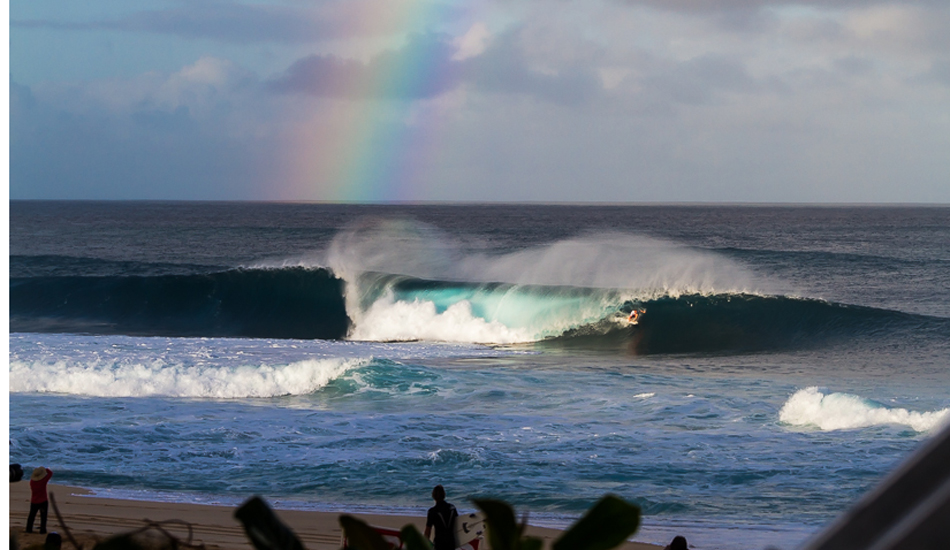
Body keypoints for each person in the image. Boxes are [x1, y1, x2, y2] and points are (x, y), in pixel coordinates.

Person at [424, 485, 458, 550]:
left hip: (439, 543)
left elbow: (428, 530)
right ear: (444, 495)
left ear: (433, 496)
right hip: (451, 542)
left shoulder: (432, 511)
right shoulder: (452, 508)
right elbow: (458, 523)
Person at [27, 467, 53, 534]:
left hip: (34, 501)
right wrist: (45, 469)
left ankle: (29, 529)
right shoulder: (43, 481)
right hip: (43, 501)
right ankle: (42, 530)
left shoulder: (32, 482)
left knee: (31, 516)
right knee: (43, 517)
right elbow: (50, 473)